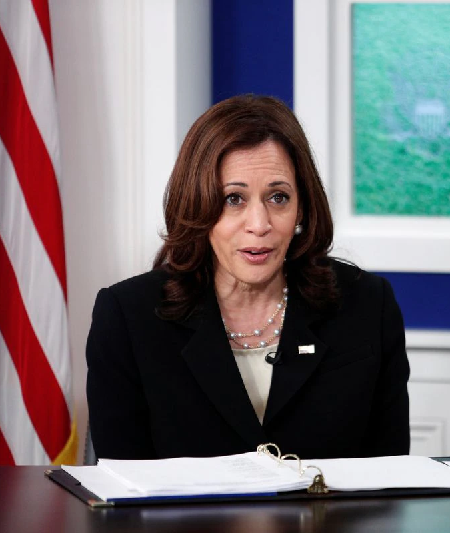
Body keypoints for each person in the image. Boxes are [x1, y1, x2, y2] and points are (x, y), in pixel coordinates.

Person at [86, 94, 410, 460]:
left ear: (302, 206)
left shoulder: (368, 305)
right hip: (186, 520)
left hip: (329, 519)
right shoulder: (128, 317)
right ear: (197, 204)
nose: (259, 225)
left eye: (278, 198)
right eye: (233, 199)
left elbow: (389, 480)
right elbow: (124, 489)